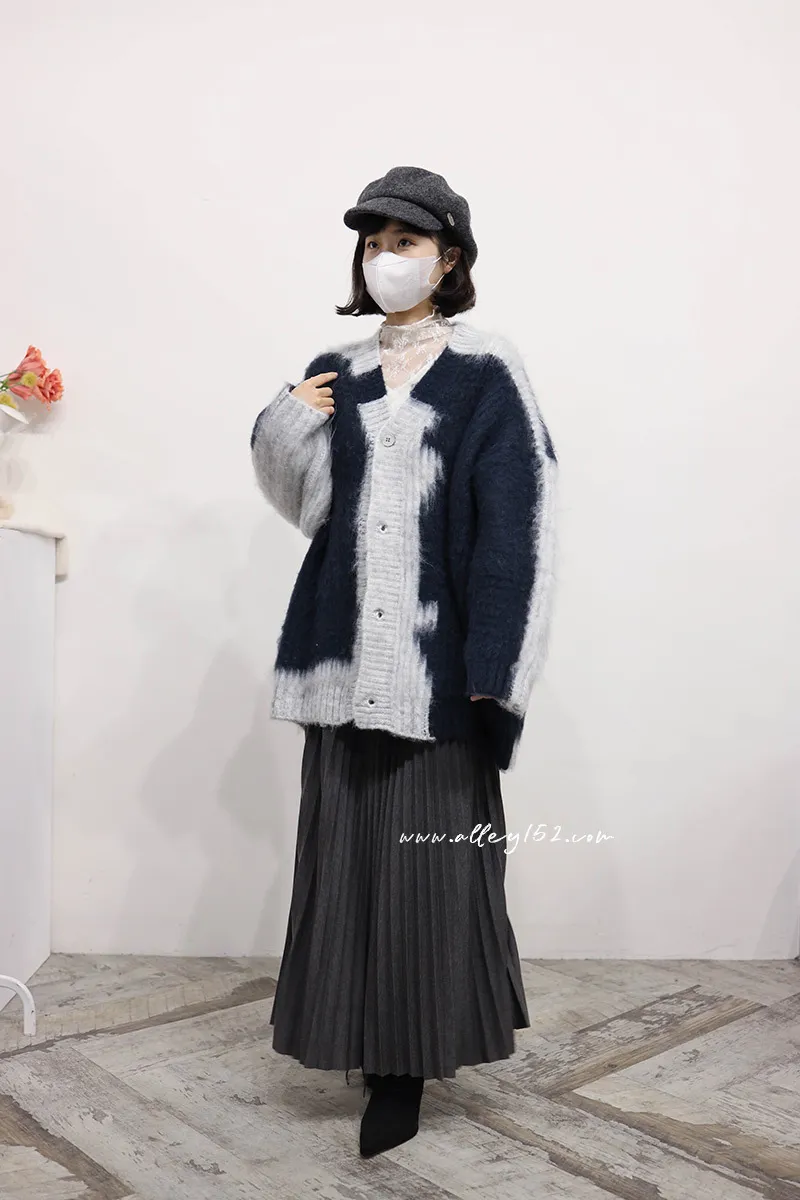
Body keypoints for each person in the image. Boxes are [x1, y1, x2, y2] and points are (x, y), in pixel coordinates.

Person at [250, 165, 558, 1158]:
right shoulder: (334, 370)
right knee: (345, 862)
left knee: (429, 870)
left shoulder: (485, 370)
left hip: (439, 674)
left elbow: (518, 526)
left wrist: (495, 673)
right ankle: (354, 1040)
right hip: (343, 662)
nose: (385, 258)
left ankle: (405, 1068)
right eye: (374, 243)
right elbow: (310, 508)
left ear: (447, 257)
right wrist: (286, 420)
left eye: (406, 242)